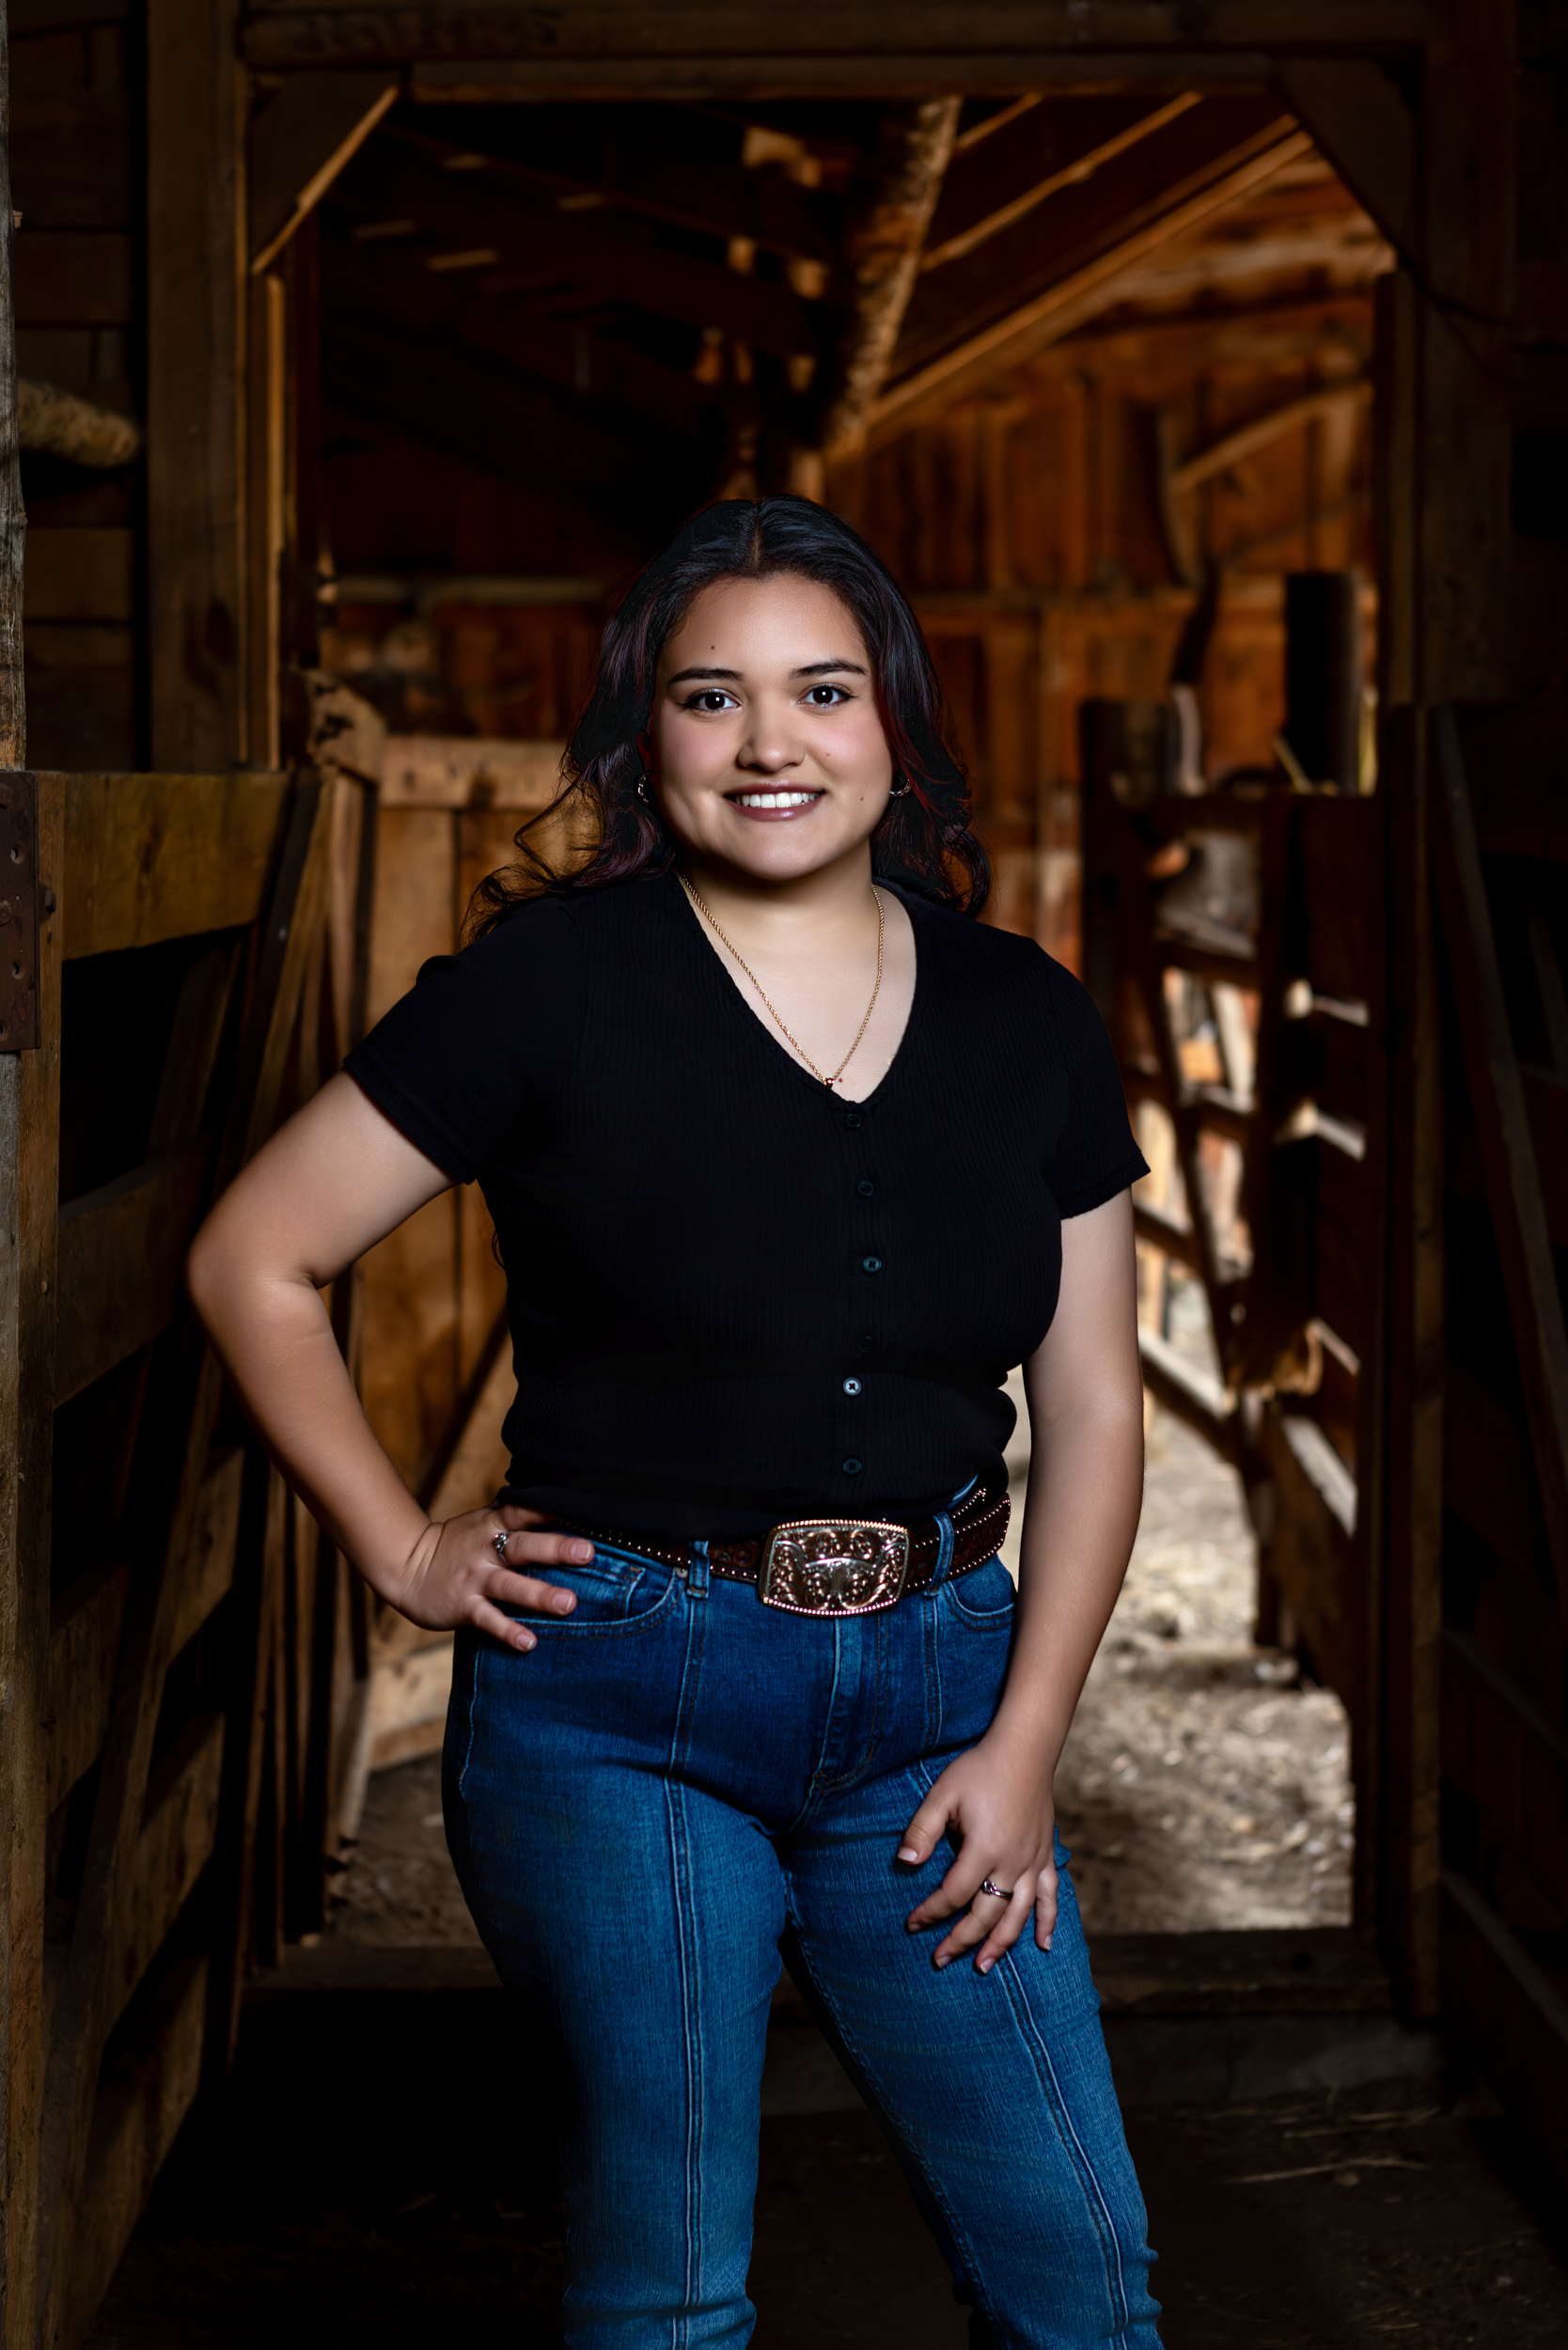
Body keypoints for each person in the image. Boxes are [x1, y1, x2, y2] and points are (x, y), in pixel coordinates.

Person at [188, 496, 1160, 2348]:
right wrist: (402, 1544)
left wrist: (1028, 1739)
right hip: (621, 1700)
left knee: (1085, 2280)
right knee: (668, 2293)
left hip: (941, 1698)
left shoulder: (1024, 1013)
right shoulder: (542, 991)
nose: (773, 742)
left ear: (897, 731)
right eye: (714, 698)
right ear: (651, 737)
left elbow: (1098, 1396)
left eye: (823, 692)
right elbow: (252, 1258)